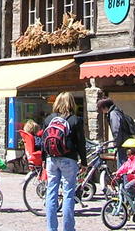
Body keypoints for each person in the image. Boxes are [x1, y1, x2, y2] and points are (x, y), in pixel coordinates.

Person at [42, 92, 87, 231]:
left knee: (51, 192)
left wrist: (43, 160)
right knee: (68, 193)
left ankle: (51, 228)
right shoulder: (75, 120)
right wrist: (84, 161)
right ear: (71, 103)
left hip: (51, 159)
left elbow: (44, 141)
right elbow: (81, 143)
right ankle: (68, 228)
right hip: (69, 159)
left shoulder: (49, 119)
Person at [97, 97, 131, 167]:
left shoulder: (113, 114)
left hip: (122, 144)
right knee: (124, 165)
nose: (101, 111)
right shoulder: (117, 111)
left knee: (122, 166)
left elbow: (116, 129)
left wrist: (116, 142)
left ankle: (123, 178)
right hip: (125, 142)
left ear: (105, 107)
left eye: (101, 108)